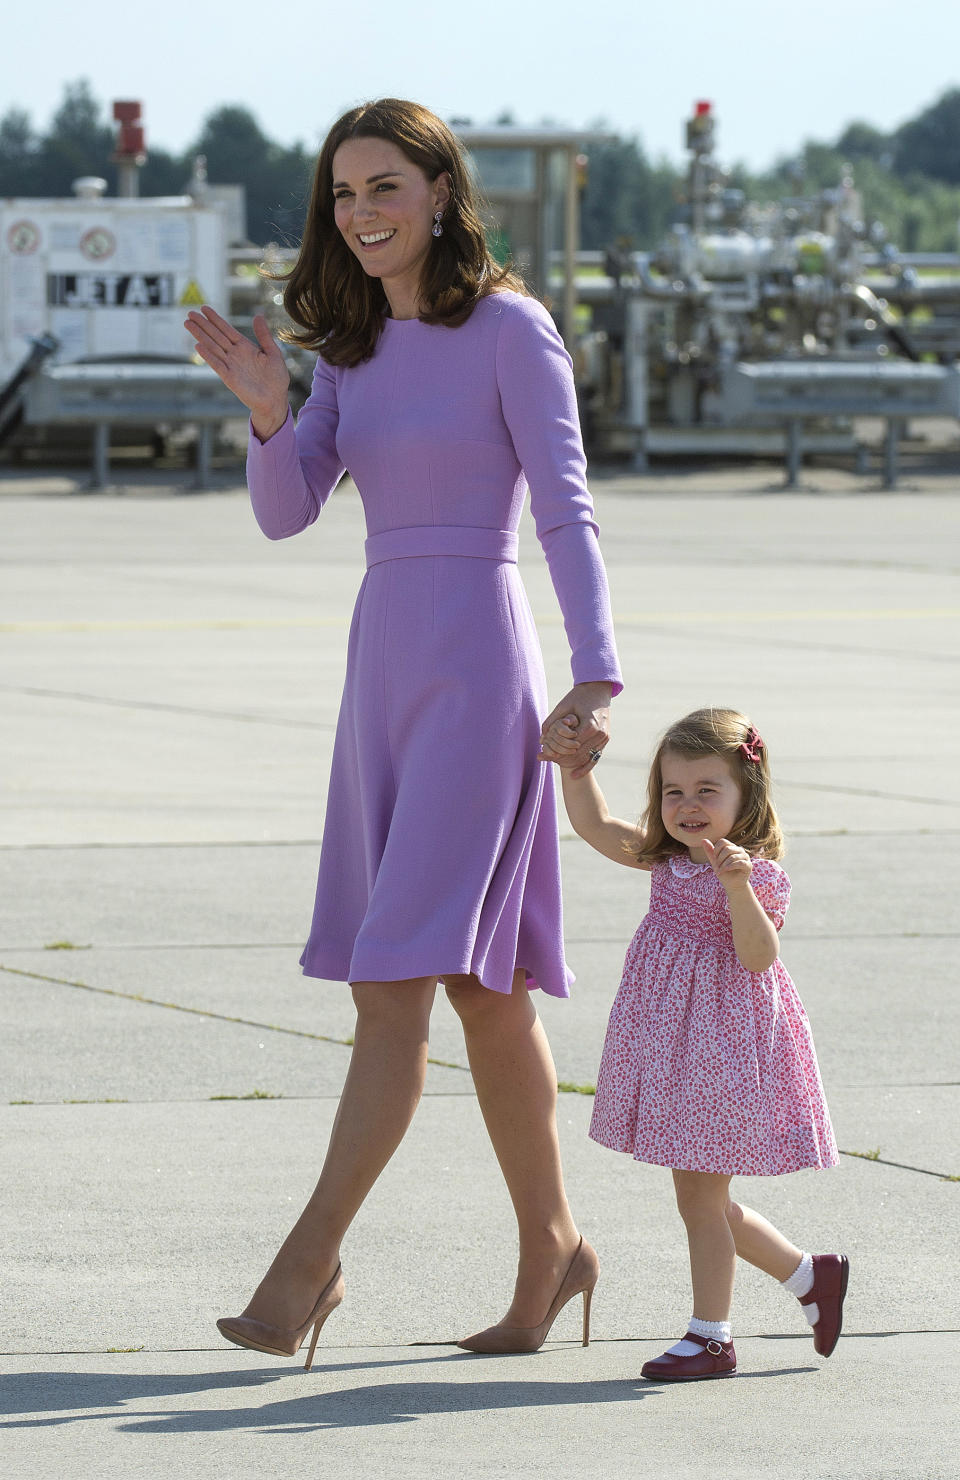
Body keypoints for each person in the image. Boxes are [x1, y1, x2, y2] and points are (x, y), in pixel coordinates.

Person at [184, 98, 621, 1368]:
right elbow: (287, 513)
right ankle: (557, 1249)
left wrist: (594, 676)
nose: (360, 214)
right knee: (484, 991)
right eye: (342, 196)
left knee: (394, 985)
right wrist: (271, 408)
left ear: (439, 191)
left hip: (481, 669)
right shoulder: (351, 349)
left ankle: (304, 1267)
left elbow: (568, 511)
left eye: (384, 187)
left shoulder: (510, 327)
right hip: (383, 671)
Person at [549, 706, 847, 1381]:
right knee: (700, 1199)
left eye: (706, 791)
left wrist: (737, 886)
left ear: (748, 794)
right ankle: (810, 1277)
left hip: (723, 1048)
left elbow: (757, 956)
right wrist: (576, 769)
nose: (686, 806)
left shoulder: (758, 876)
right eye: (672, 792)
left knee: (700, 1201)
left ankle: (711, 1337)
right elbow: (595, 826)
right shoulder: (666, 859)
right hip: (672, 1044)